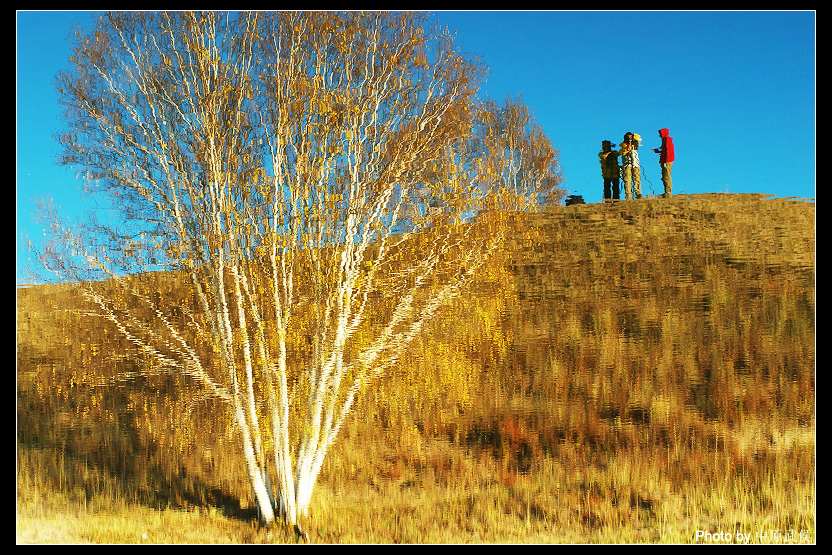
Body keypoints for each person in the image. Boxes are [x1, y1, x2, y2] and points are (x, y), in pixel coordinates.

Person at [653, 128, 675, 197]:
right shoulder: (664, 140)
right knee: (664, 176)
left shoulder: (667, 139)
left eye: (660, 133)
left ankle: (668, 192)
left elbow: (668, 151)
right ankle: (666, 191)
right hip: (664, 160)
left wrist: (666, 161)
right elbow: (664, 150)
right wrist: (658, 151)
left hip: (667, 161)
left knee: (667, 175)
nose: (659, 135)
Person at [620, 132, 642, 200]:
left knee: (637, 179)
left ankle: (638, 193)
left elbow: (638, 138)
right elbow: (622, 153)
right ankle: (628, 195)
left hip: (635, 164)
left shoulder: (635, 144)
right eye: (628, 137)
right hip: (627, 164)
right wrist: (627, 148)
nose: (629, 138)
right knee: (627, 180)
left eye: (631, 137)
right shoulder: (623, 145)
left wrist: (634, 138)